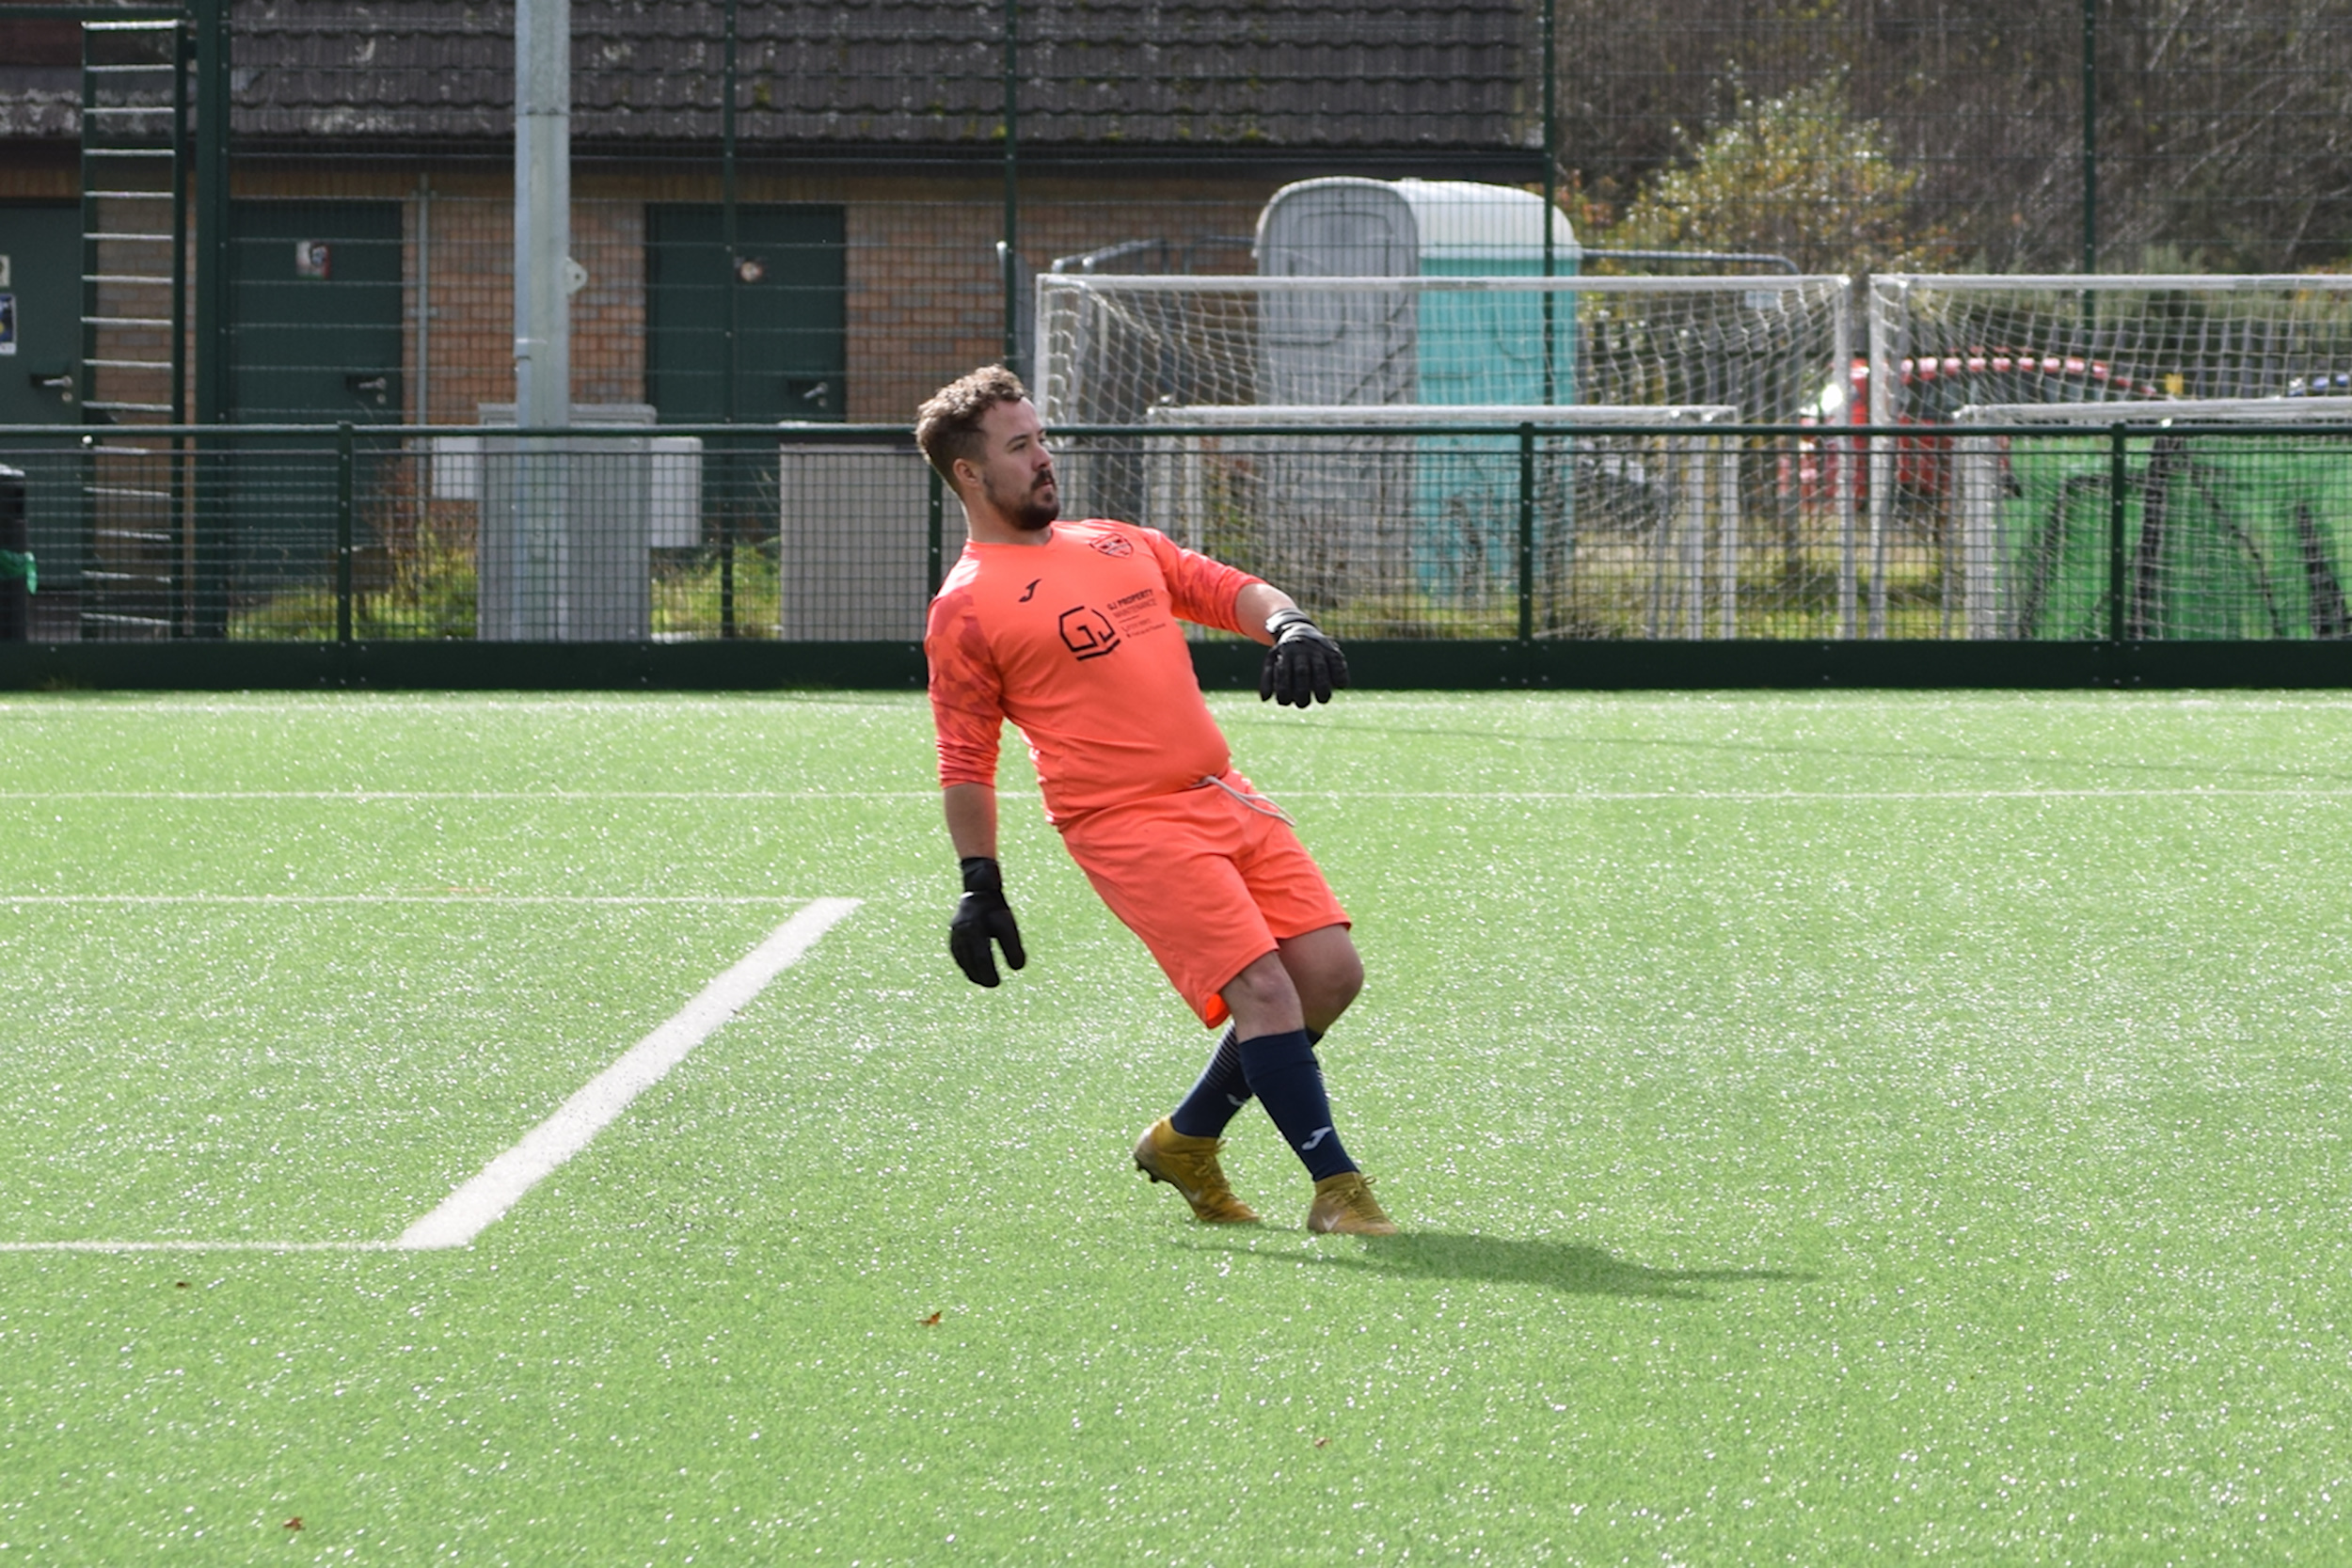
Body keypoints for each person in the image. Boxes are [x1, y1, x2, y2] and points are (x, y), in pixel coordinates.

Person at [916, 365, 1395, 1236]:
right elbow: (965, 754)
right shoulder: (966, 607)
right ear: (971, 475)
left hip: (1223, 795)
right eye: (1020, 446)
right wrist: (978, 878)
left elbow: (1222, 587)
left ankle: (1186, 1138)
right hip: (1122, 822)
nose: (1044, 457)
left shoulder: (1112, 540)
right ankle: (1338, 1190)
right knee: (1264, 990)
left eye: (1041, 437)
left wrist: (1288, 623)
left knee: (1329, 975)